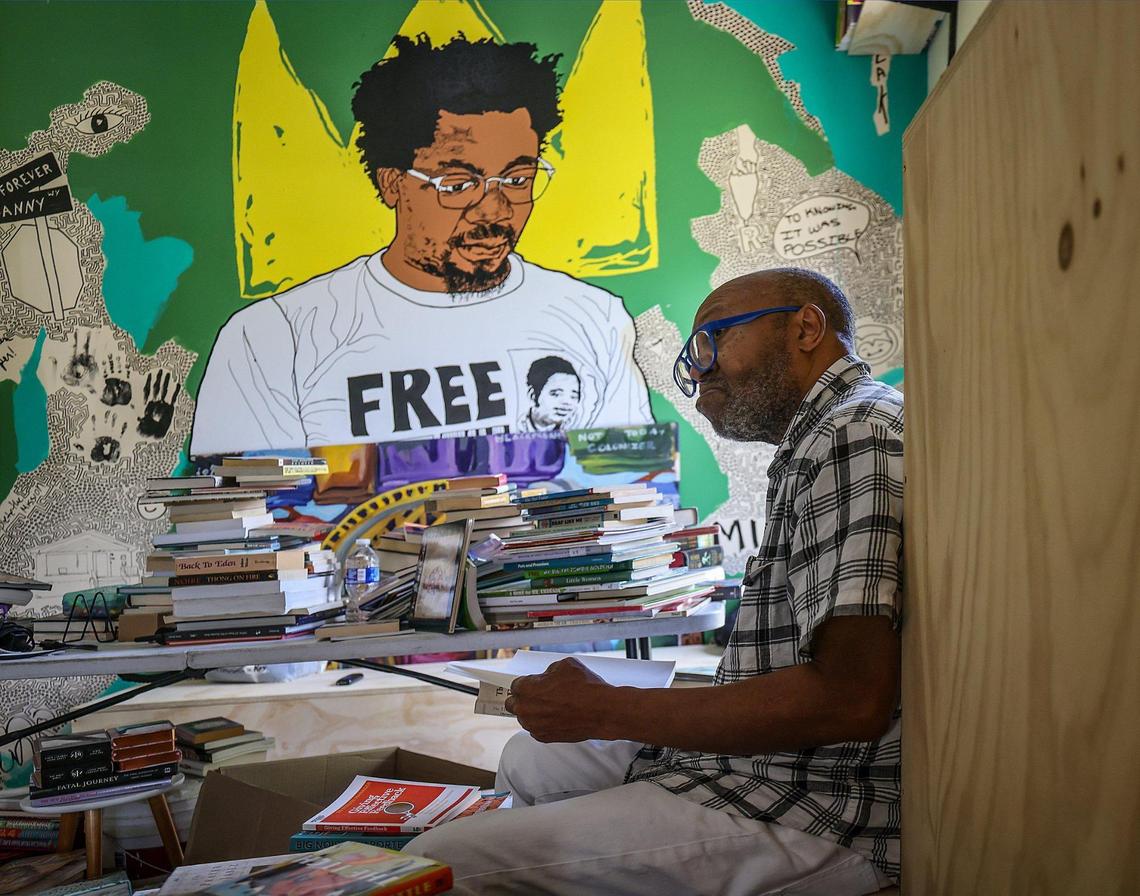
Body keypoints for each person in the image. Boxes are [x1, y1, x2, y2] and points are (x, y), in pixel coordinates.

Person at [405, 268, 904, 895]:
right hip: (770, 764)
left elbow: (850, 699)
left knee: (439, 861)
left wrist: (608, 708)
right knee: (529, 759)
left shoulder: (850, 433)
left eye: (711, 342)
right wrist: (608, 712)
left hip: (818, 802)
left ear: (806, 327)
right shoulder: (826, 436)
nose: (698, 373)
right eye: (690, 359)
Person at [190, 35, 652, 456]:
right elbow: (243, 526)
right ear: (392, 184)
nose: (493, 210)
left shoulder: (595, 320)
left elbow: (627, 503)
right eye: (458, 184)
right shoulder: (272, 340)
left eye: (517, 179)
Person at [517, 355, 582, 431]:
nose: (567, 402)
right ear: (533, 395)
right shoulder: (517, 428)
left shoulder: (577, 428)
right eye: (556, 394)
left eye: (573, 396)